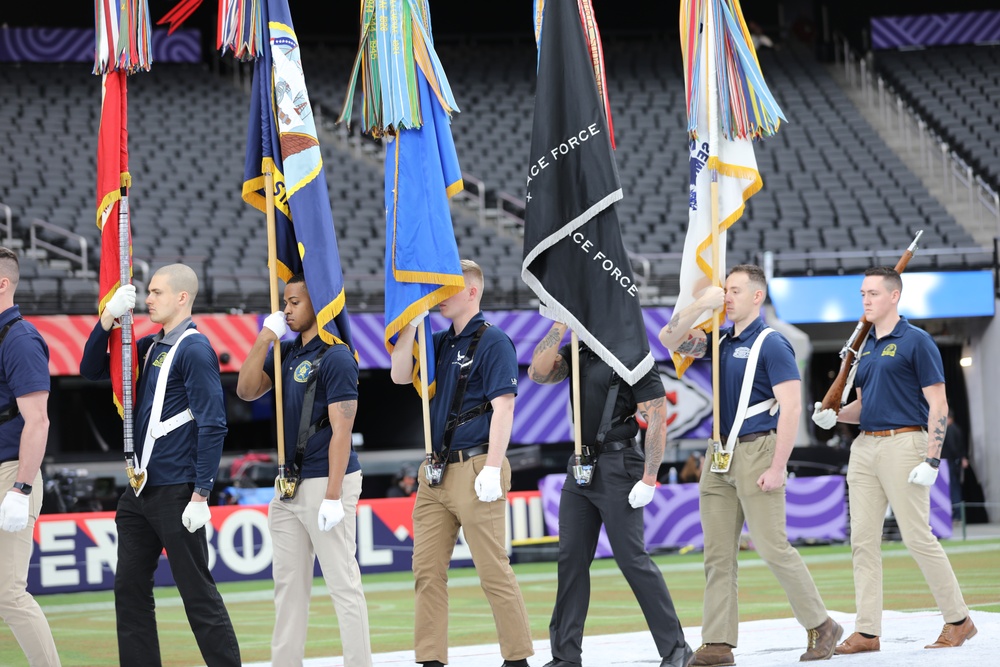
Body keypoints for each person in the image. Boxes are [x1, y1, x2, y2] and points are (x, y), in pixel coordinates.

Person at [660, 264, 842, 665]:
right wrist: (697, 307)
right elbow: (668, 337)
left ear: (757, 297)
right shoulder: (719, 339)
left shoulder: (773, 343)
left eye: (735, 291)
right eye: (726, 290)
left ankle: (822, 625)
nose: (727, 296)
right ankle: (719, 643)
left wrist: (779, 467)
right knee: (717, 554)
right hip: (718, 455)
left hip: (759, 448)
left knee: (774, 547)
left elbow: (792, 407)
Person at [80, 264, 241, 666]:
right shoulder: (151, 345)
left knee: (197, 594)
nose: (147, 299)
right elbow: (91, 370)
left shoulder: (196, 349)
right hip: (138, 492)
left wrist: (202, 493)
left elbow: (213, 423)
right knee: (129, 590)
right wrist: (106, 319)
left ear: (182, 297)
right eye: (147, 292)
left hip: (177, 491)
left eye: (156, 292)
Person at [812, 266, 977, 653]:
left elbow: (938, 403)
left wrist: (933, 459)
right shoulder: (865, 347)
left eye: (872, 293)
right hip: (865, 447)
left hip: (905, 444)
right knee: (862, 542)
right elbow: (865, 405)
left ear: (894, 296)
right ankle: (867, 631)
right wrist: (834, 415)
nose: (865, 300)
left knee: (918, 537)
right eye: (862, 293)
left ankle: (959, 619)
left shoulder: (916, 341)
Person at [389, 260, 533, 667]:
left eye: (446, 289)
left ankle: (517, 658)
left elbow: (504, 408)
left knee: (492, 569)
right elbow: (401, 376)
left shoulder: (494, 341)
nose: (438, 298)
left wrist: (493, 467)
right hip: (436, 472)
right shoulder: (437, 341)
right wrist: (410, 327)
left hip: (477, 465)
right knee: (426, 572)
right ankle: (431, 659)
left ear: (472, 292)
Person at [529, 322, 692, 667]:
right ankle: (565, 656)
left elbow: (657, 416)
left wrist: (650, 477)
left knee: (632, 559)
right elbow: (537, 373)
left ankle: (676, 647)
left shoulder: (634, 355)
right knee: (570, 560)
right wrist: (559, 325)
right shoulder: (577, 351)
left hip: (620, 464)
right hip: (580, 466)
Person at [237, 273, 372, 667]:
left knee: (343, 584)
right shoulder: (288, 354)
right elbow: (246, 390)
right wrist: (265, 337)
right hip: (289, 486)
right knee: (288, 589)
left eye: (294, 301)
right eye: (285, 301)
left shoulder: (338, 357)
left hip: (326, 482)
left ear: (320, 304)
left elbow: (341, 432)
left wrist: (333, 496)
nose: (286, 309)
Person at [0, 247, 61, 666]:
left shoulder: (19, 339)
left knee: (8, 591)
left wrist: (20, 488)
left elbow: (37, 422)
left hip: (10, 474)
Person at [942, 411, 969, 520]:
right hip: (953, 462)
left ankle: (956, 515)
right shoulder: (957, 428)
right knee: (954, 487)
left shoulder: (950, 430)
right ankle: (957, 514)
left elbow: (954, 447)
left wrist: (958, 458)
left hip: (949, 463)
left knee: (952, 489)